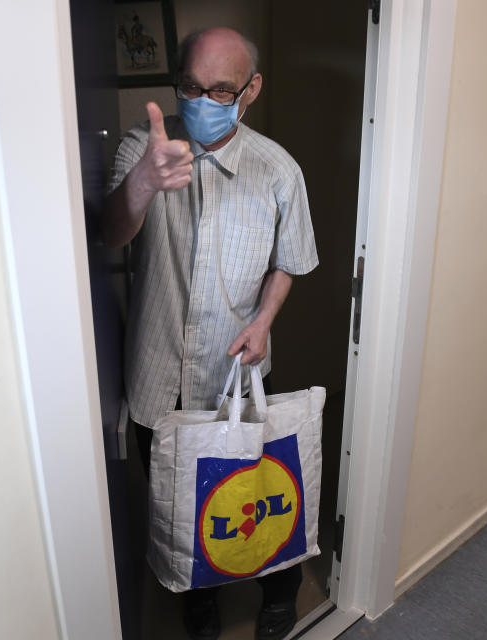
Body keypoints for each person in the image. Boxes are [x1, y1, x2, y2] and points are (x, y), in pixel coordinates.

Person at [104, 26, 318, 640]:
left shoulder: (278, 170)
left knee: (250, 493)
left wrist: (264, 319)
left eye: (220, 90)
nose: (202, 100)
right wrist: (144, 182)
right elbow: (111, 234)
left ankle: (278, 591)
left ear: (250, 90)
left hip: (234, 371)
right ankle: (198, 603)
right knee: (176, 500)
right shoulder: (145, 147)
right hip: (156, 371)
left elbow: (291, 259)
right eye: (191, 86)